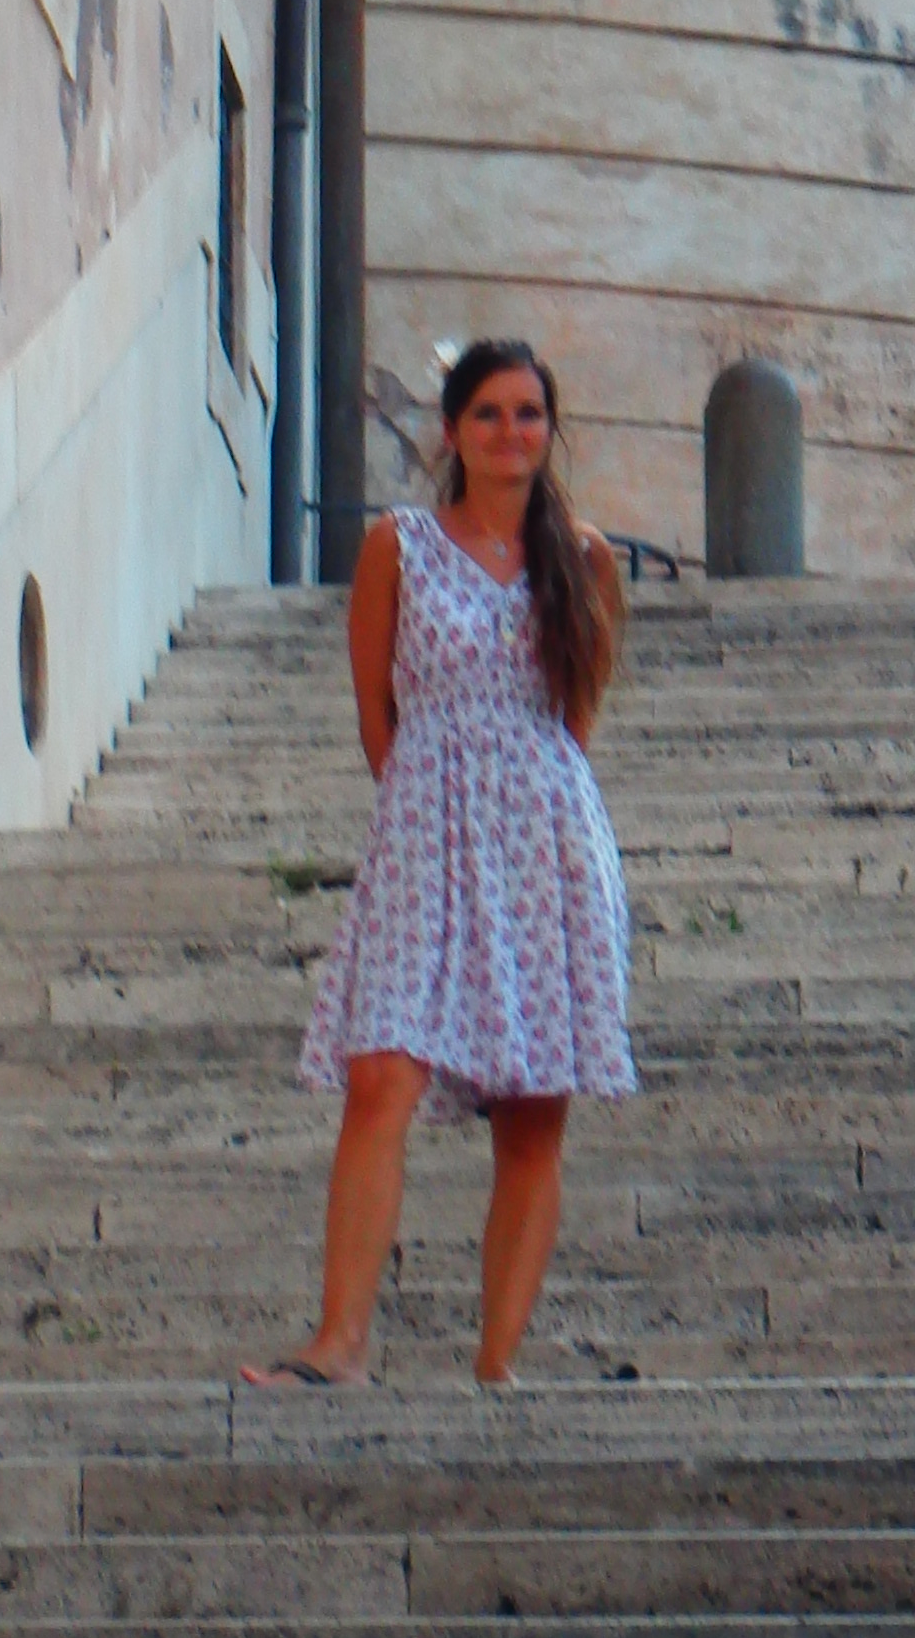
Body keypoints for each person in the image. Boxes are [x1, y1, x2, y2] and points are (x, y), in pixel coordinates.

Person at [245, 338, 634, 1388]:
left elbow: (576, 719)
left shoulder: (584, 558)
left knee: (535, 1110)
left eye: (529, 413)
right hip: (426, 825)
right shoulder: (398, 546)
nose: (512, 432)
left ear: (550, 431)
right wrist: (431, 797)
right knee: (380, 1074)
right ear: (454, 431)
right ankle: (340, 1342)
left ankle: (497, 1365)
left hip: (547, 841)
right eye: (490, 413)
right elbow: (376, 714)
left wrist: (522, 802)